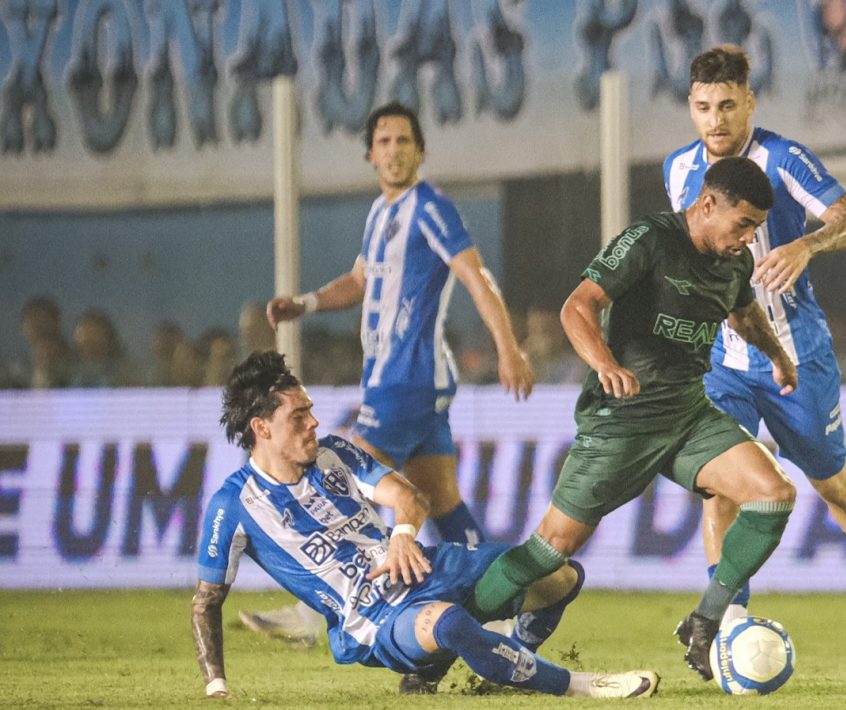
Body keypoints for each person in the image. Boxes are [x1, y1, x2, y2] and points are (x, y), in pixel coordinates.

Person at [464, 157, 799, 682]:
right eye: (744, 224)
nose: (750, 239)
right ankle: (447, 635)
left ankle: (705, 621)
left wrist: (778, 356)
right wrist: (605, 364)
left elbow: (745, 312)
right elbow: (578, 306)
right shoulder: (649, 239)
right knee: (550, 550)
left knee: (772, 493)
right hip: (621, 420)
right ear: (708, 204)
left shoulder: (732, 263)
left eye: (756, 227)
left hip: (688, 415)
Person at [251, 103, 535, 680]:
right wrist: (302, 305)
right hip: (406, 382)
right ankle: (506, 609)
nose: (394, 149)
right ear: (370, 153)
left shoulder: (431, 207)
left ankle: (316, 615)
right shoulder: (382, 213)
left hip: (405, 381)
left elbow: (475, 276)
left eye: (404, 139)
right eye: (384, 140)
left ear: (419, 151)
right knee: (443, 499)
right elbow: (359, 282)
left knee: (338, 480)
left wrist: (508, 347)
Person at [191, 351, 658, 700]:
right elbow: (206, 602)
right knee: (449, 623)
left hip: (422, 567)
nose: (314, 422)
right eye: (299, 416)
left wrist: (402, 535)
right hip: (373, 617)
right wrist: (216, 685)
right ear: (262, 428)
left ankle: (511, 667)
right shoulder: (233, 505)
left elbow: (408, 496)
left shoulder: (335, 452)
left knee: (560, 576)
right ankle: (578, 685)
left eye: (310, 410)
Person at [662, 45, 846, 656]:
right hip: (724, 358)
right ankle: (726, 625)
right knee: (721, 487)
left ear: (750, 101)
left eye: (728, 104)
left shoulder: (782, 157)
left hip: (797, 355)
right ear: (690, 108)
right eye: (703, 107)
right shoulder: (676, 169)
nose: (716, 119)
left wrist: (807, 246)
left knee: (837, 489)